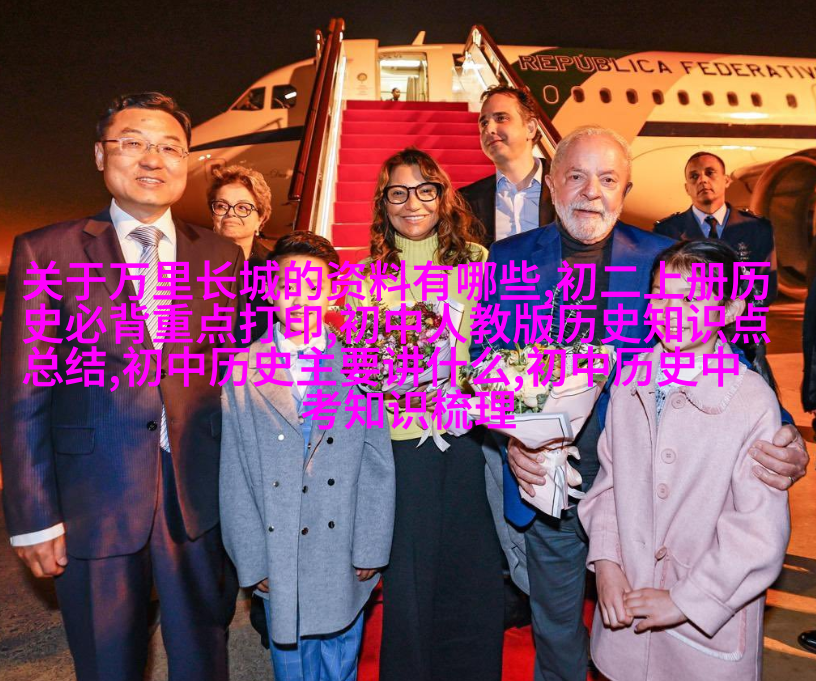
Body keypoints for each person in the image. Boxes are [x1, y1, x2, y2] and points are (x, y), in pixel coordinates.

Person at [489, 126, 808, 681]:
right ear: (553, 183)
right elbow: (484, 362)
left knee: (645, 625)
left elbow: (732, 351)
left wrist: (783, 433)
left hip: (643, 483)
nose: (592, 191)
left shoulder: (664, 260)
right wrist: (513, 438)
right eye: (576, 176)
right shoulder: (509, 257)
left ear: (626, 188)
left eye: (608, 179)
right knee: (557, 628)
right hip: (549, 483)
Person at [0, 92, 243, 681]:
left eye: (169, 147)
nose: (152, 159)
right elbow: (24, 396)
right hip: (95, 497)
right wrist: (33, 516)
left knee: (203, 657)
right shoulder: (47, 251)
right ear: (100, 155)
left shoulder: (221, 256)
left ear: (186, 162)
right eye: (133, 143)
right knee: (107, 662)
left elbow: (231, 380)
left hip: (197, 499)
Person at [579, 239, 789, 680]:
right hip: (628, 608)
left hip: (704, 628)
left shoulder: (751, 401)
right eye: (660, 295)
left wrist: (687, 600)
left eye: (691, 299)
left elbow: (758, 531)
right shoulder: (630, 380)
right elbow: (610, 487)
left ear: (730, 309)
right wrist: (608, 564)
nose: (670, 311)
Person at [347, 147, 505, 681]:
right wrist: (385, 372)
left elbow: (499, 349)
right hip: (399, 449)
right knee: (410, 581)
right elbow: (358, 371)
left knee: (472, 574)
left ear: (443, 196)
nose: (411, 203)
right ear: (383, 203)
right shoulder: (363, 277)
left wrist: (467, 384)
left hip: (469, 441)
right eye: (398, 192)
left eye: (424, 190)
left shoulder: (480, 263)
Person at [220, 230, 395, 681]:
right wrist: (251, 559)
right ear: (268, 292)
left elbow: (376, 463)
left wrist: (371, 545)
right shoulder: (241, 371)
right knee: (291, 659)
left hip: (340, 544)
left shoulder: (360, 362)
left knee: (341, 656)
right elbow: (234, 475)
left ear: (333, 292)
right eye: (286, 286)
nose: (299, 298)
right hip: (279, 547)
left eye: (313, 286)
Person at [653, 151, 777, 303]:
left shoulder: (757, 229)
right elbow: (662, 288)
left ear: (726, 180)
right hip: (690, 316)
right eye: (694, 176)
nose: (702, 180)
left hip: (741, 317)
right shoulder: (666, 231)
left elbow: (765, 289)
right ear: (687, 188)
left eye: (710, 173)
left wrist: (731, 313)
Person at [459, 86, 555, 246]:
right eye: (484, 123)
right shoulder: (465, 201)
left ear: (530, 128)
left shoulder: (567, 186)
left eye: (501, 118)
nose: (489, 129)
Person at [208, 164, 274, 343]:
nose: (231, 213)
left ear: (260, 219)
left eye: (243, 208)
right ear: (213, 216)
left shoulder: (275, 269)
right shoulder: (191, 263)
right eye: (222, 206)